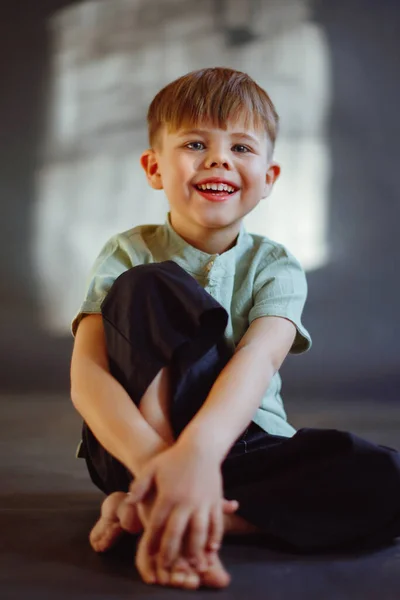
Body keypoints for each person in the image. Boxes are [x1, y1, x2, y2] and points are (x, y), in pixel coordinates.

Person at [70, 67, 400, 590]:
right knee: (149, 283)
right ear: (155, 168)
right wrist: (162, 466)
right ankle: (164, 493)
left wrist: (199, 458)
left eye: (242, 148)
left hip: (240, 446)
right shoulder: (127, 253)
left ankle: (188, 517)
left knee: (386, 478)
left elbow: (258, 360)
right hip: (130, 445)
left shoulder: (275, 265)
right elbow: (86, 375)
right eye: (196, 143)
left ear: (269, 179)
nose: (219, 158)